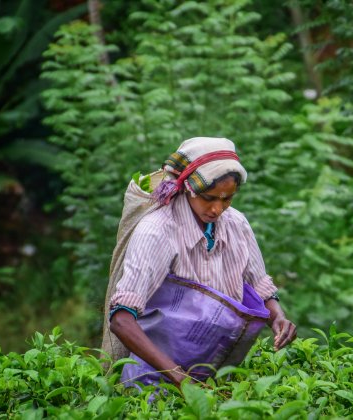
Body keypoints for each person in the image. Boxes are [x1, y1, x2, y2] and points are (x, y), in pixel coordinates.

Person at [108, 137, 296, 387]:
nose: (217, 209)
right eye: (209, 198)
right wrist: (177, 377)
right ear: (187, 187)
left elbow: (260, 285)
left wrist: (279, 318)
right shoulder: (158, 231)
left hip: (216, 378)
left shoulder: (236, 224)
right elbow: (121, 320)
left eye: (227, 199)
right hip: (153, 382)